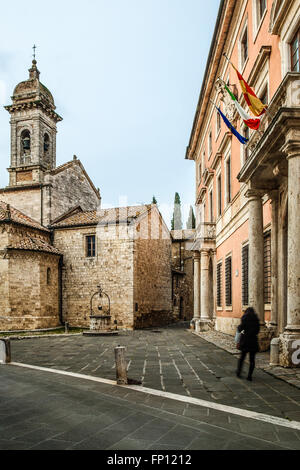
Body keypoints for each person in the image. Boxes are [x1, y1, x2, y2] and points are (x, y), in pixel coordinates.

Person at [236, 307, 260, 381]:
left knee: (242, 358)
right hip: (253, 341)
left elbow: (240, 328)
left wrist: (240, 328)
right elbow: (257, 330)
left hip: (245, 340)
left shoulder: (245, 318)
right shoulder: (256, 319)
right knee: (252, 360)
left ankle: (238, 372)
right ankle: (249, 376)